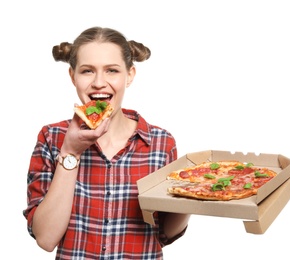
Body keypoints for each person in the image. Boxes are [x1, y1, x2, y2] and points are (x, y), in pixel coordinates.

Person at [23, 26, 190, 259]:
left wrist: (191, 194)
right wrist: (71, 153)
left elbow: (164, 233)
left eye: (112, 71)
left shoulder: (161, 143)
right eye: (87, 71)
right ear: (73, 77)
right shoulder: (51, 137)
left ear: (129, 75)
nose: (99, 82)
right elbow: (46, 238)